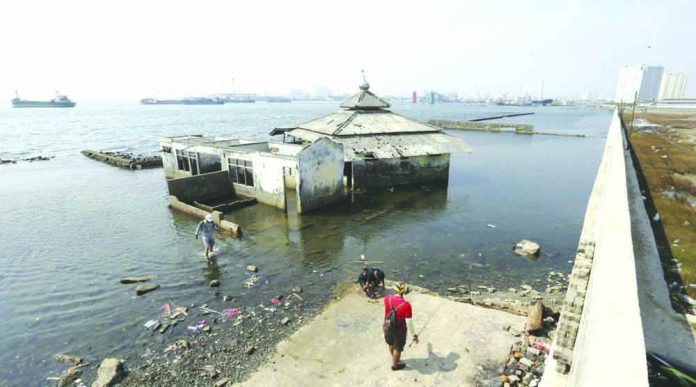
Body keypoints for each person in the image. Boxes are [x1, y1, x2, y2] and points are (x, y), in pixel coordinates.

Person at [383, 282, 418, 371]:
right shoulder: (406, 305)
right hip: (399, 329)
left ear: (395, 289)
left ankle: (394, 358)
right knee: (398, 348)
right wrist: (414, 335)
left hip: (387, 325)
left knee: (391, 344)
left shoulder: (387, 299)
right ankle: (395, 365)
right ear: (404, 292)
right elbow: (409, 322)